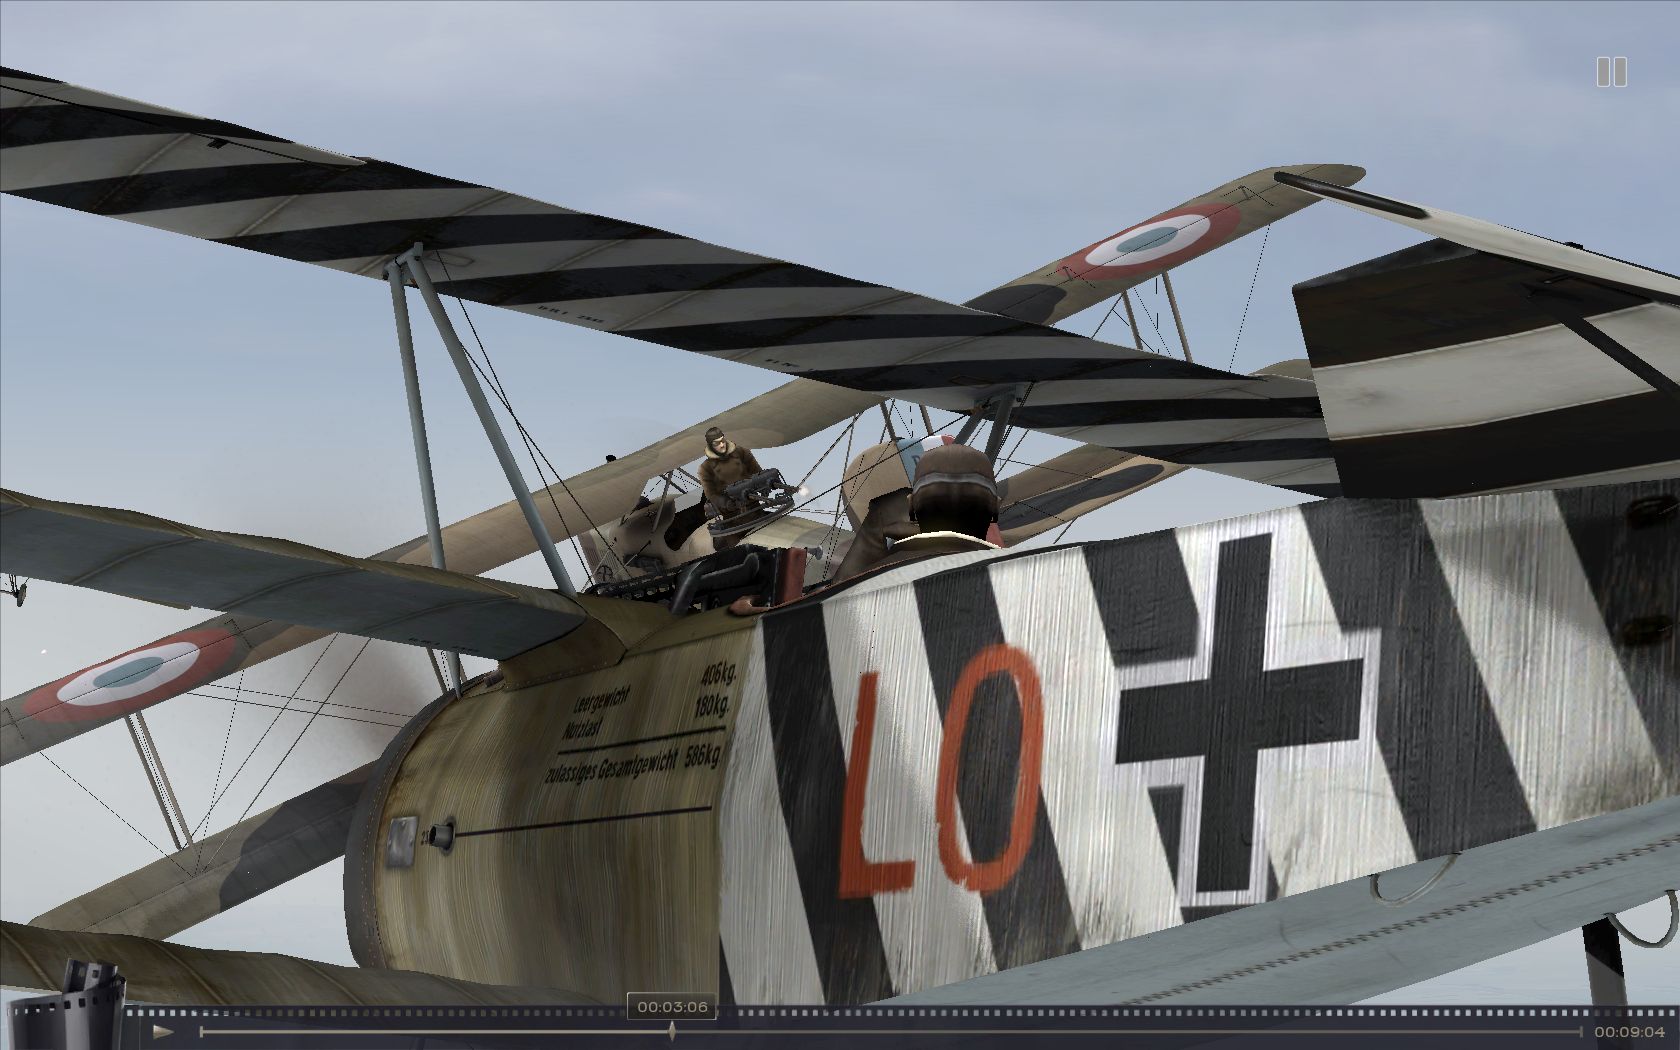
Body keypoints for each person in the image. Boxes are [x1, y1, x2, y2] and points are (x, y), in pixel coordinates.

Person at [858, 443, 1000, 576]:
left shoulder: (868, 579)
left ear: (911, 506)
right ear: (995, 507)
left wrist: (873, 529)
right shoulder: (1009, 573)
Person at [699, 426, 763, 550]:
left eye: (722, 440)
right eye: (717, 443)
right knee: (737, 551)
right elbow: (711, 495)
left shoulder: (742, 453)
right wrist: (726, 503)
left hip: (756, 511)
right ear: (710, 445)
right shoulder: (705, 468)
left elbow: (758, 473)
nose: (722, 445)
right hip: (733, 521)